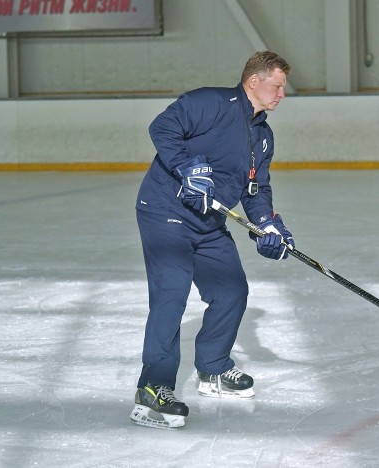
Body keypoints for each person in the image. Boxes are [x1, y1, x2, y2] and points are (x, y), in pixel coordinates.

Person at [129, 51, 295, 429]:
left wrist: (267, 226)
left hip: (207, 221)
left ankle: (214, 369)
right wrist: (188, 169)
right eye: (278, 85)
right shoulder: (210, 102)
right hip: (164, 212)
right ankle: (152, 388)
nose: (282, 93)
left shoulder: (263, 137)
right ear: (255, 81)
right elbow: (162, 127)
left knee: (232, 291)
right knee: (171, 295)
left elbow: (255, 190)